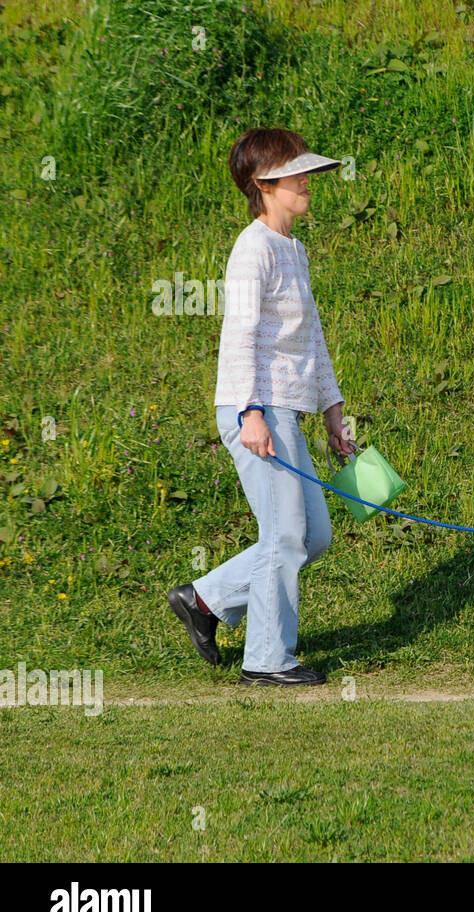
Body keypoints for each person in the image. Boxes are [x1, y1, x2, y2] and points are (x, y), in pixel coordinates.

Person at [166, 127, 356, 686]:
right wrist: (250, 412)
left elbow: (312, 338)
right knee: (285, 536)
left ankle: (205, 599)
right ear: (263, 184)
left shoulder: (292, 248)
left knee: (312, 535)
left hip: (286, 412)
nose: (307, 181)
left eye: (306, 171)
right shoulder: (252, 248)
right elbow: (240, 335)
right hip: (258, 410)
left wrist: (333, 412)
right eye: (296, 172)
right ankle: (268, 659)